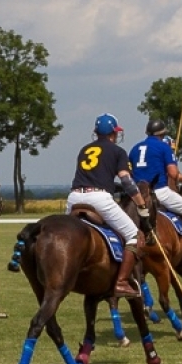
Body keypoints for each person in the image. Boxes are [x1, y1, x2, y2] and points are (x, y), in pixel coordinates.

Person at [67, 114, 148, 298]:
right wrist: (141, 204)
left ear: (96, 133)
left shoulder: (84, 150)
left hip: (74, 197)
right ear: (114, 133)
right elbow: (127, 182)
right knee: (133, 236)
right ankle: (121, 283)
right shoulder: (117, 151)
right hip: (99, 198)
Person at [127, 119, 182, 264]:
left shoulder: (135, 148)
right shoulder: (163, 147)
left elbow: (130, 173)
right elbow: (173, 174)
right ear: (162, 133)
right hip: (159, 192)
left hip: (137, 196)